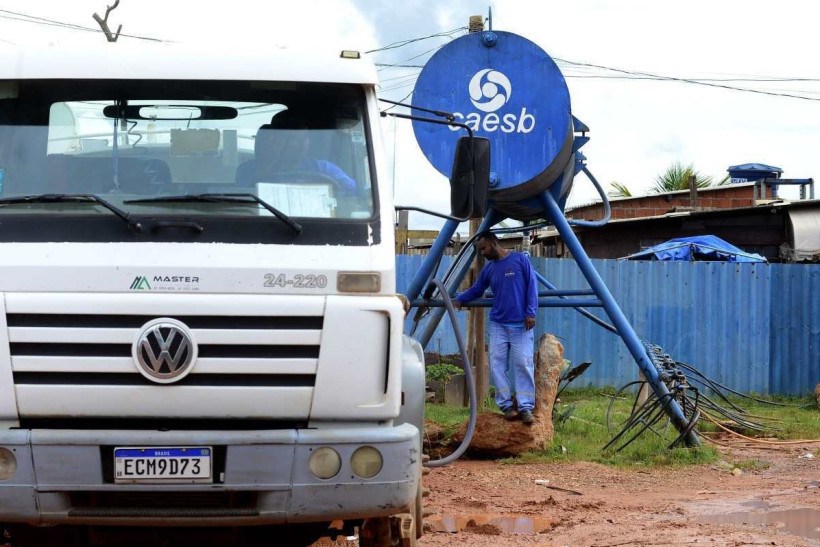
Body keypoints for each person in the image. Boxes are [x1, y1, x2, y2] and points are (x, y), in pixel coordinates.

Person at [453, 231, 538, 425]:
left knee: (523, 364)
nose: (482, 252)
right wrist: (460, 299)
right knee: (497, 365)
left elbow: (532, 286)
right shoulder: (489, 269)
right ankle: (506, 406)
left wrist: (531, 312)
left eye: (483, 248)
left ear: (493, 243)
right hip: (499, 324)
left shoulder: (520, 260)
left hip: (521, 325)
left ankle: (526, 408)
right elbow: (477, 289)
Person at [235, 109, 357, 195]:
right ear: (279, 140)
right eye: (294, 138)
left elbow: (356, 192)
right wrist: (269, 162)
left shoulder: (323, 168)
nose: (303, 144)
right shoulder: (248, 169)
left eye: (305, 137)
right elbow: (244, 199)